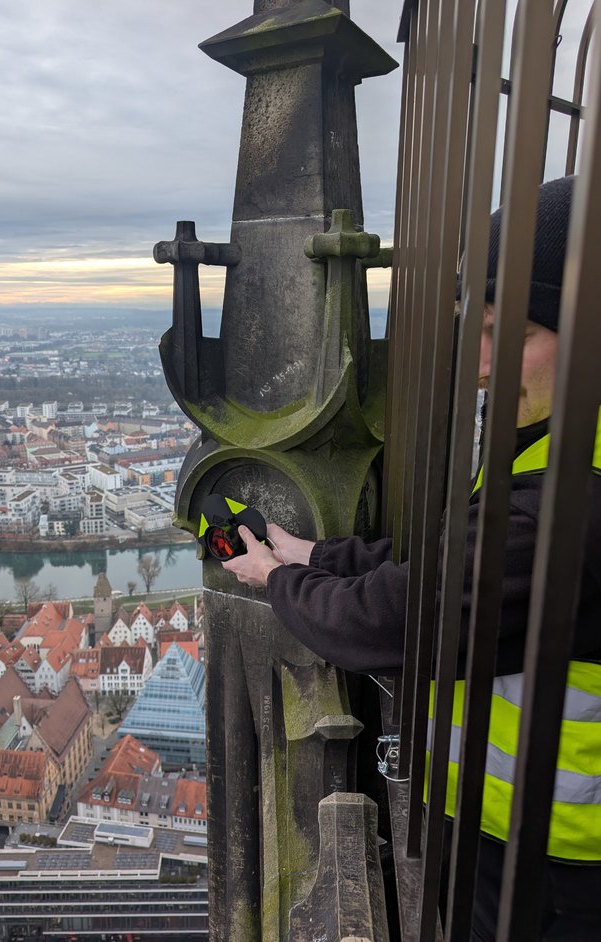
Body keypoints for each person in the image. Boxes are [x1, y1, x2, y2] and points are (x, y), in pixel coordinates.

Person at [222, 175, 601, 941]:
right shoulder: (558, 441)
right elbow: (453, 551)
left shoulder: (573, 501)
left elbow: (393, 621)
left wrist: (277, 577)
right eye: (474, 327)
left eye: (511, 332)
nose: (482, 365)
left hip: (554, 858)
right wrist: (321, 552)